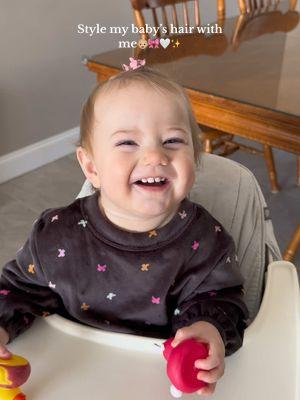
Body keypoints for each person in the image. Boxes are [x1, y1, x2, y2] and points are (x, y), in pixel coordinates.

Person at [0, 63, 248, 396]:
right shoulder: (58, 236)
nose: (155, 156)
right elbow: (17, 290)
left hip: (154, 381)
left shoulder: (206, 240)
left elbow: (222, 301)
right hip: (74, 373)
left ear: (195, 157)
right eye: (128, 142)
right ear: (91, 167)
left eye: (173, 140)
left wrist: (208, 331)